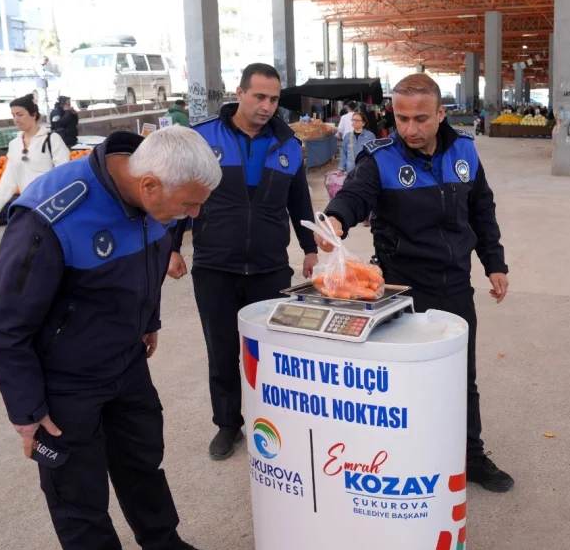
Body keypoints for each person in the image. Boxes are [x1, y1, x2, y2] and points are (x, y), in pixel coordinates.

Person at [0, 127, 224, 550]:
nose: (194, 215)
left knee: (142, 459)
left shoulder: (154, 202)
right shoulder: (52, 215)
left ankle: (159, 545)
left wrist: (149, 318)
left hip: (125, 360)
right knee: (78, 495)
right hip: (65, 384)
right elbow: (4, 324)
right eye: (189, 205)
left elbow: (152, 261)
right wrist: (26, 412)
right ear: (153, 184)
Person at [317, 73, 514, 492]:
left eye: (421, 118)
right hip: (403, 292)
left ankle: (471, 457)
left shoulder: (464, 152)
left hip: (456, 286)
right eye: (402, 117)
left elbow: (482, 209)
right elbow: (355, 195)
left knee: (462, 376)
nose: (410, 128)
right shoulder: (381, 157)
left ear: (441, 114)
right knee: (407, 382)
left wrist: (494, 262)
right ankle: (409, 456)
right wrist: (336, 218)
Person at [167, 63, 319, 460]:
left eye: (273, 99)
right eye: (259, 97)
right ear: (240, 92)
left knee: (271, 352)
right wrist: (170, 248)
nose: (267, 106)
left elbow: (298, 199)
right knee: (221, 352)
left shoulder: (288, 144)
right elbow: (180, 195)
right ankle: (228, 425)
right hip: (215, 266)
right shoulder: (202, 138)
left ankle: (271, 422)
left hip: (270, 268)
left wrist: (309, 246)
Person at [0, 94, 70, 223]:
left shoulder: (52, 139)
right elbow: (9, 178)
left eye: (20, 114)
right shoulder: (14, 144)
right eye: (13, 115)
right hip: (27, 207)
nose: (16, 119)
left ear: (33, 114)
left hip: (51, 209)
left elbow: (64, 174)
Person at [340, 109, 375, 173]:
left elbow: (374, 153)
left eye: (357, 120)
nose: (354, 122)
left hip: (365, 169)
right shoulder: (347, 136)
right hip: (350, 170)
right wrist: (341, 168)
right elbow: (344, 153)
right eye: (353, 120)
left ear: (363, 123)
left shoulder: (370, 136)